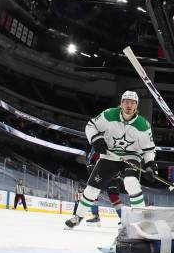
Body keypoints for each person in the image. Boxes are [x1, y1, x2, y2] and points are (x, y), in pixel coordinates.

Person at [65, 91, 158, 229]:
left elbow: (149, 149)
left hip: (131, 157)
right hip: (109, 156)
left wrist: (150, 164)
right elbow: (90, 126)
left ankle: (141, 220)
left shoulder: (143, 125)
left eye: (132, 103)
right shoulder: (109, 115)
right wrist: (96, 139)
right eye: (126, 101)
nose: (129, 105)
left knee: (131, 182)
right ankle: (78, 217)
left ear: (136, 106)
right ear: (121, 103)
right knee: (92, 189)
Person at [84, 146, 124, 225]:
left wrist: (118, 172)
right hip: (100, 173)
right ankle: (95, 216)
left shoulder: (113, 144)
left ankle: (123, 218)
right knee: (93, 193)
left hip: (112, 175)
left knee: (113, 196)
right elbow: (90, 162)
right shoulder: (96, 147)